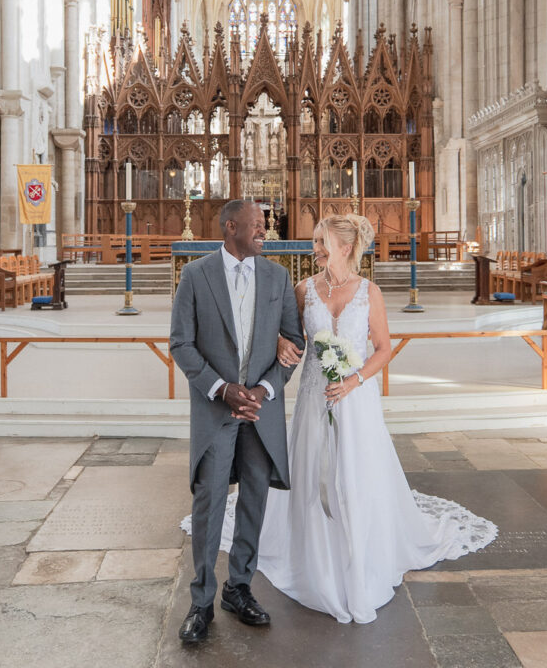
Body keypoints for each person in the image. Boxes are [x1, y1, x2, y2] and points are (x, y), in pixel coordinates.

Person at [197, 214, 497, 625]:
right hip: (314, 400)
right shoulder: (303, 290)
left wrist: (354, 381)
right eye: (315, 241)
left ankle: (360, 555)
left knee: (356, 476)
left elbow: (383, 348)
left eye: (321, 242)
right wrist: (283, 340)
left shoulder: (368, 293)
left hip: (355, 402)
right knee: (313, 475)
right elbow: (286, 334)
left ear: (345, 247)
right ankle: (318, 560)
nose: (314, 248)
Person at [170, 199, 304, 644]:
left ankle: (239, 587)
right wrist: (222, 389)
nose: (266, 231)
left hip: (260, 411)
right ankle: (201, 600)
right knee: (209, 501)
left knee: (254, 498)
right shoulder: (195, 275)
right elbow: (182, 344)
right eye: (258, 225)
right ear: (231, 228)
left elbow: (294, 343)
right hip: (216, 409)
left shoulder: (278, 277)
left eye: (265, 225)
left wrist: (264, 390)